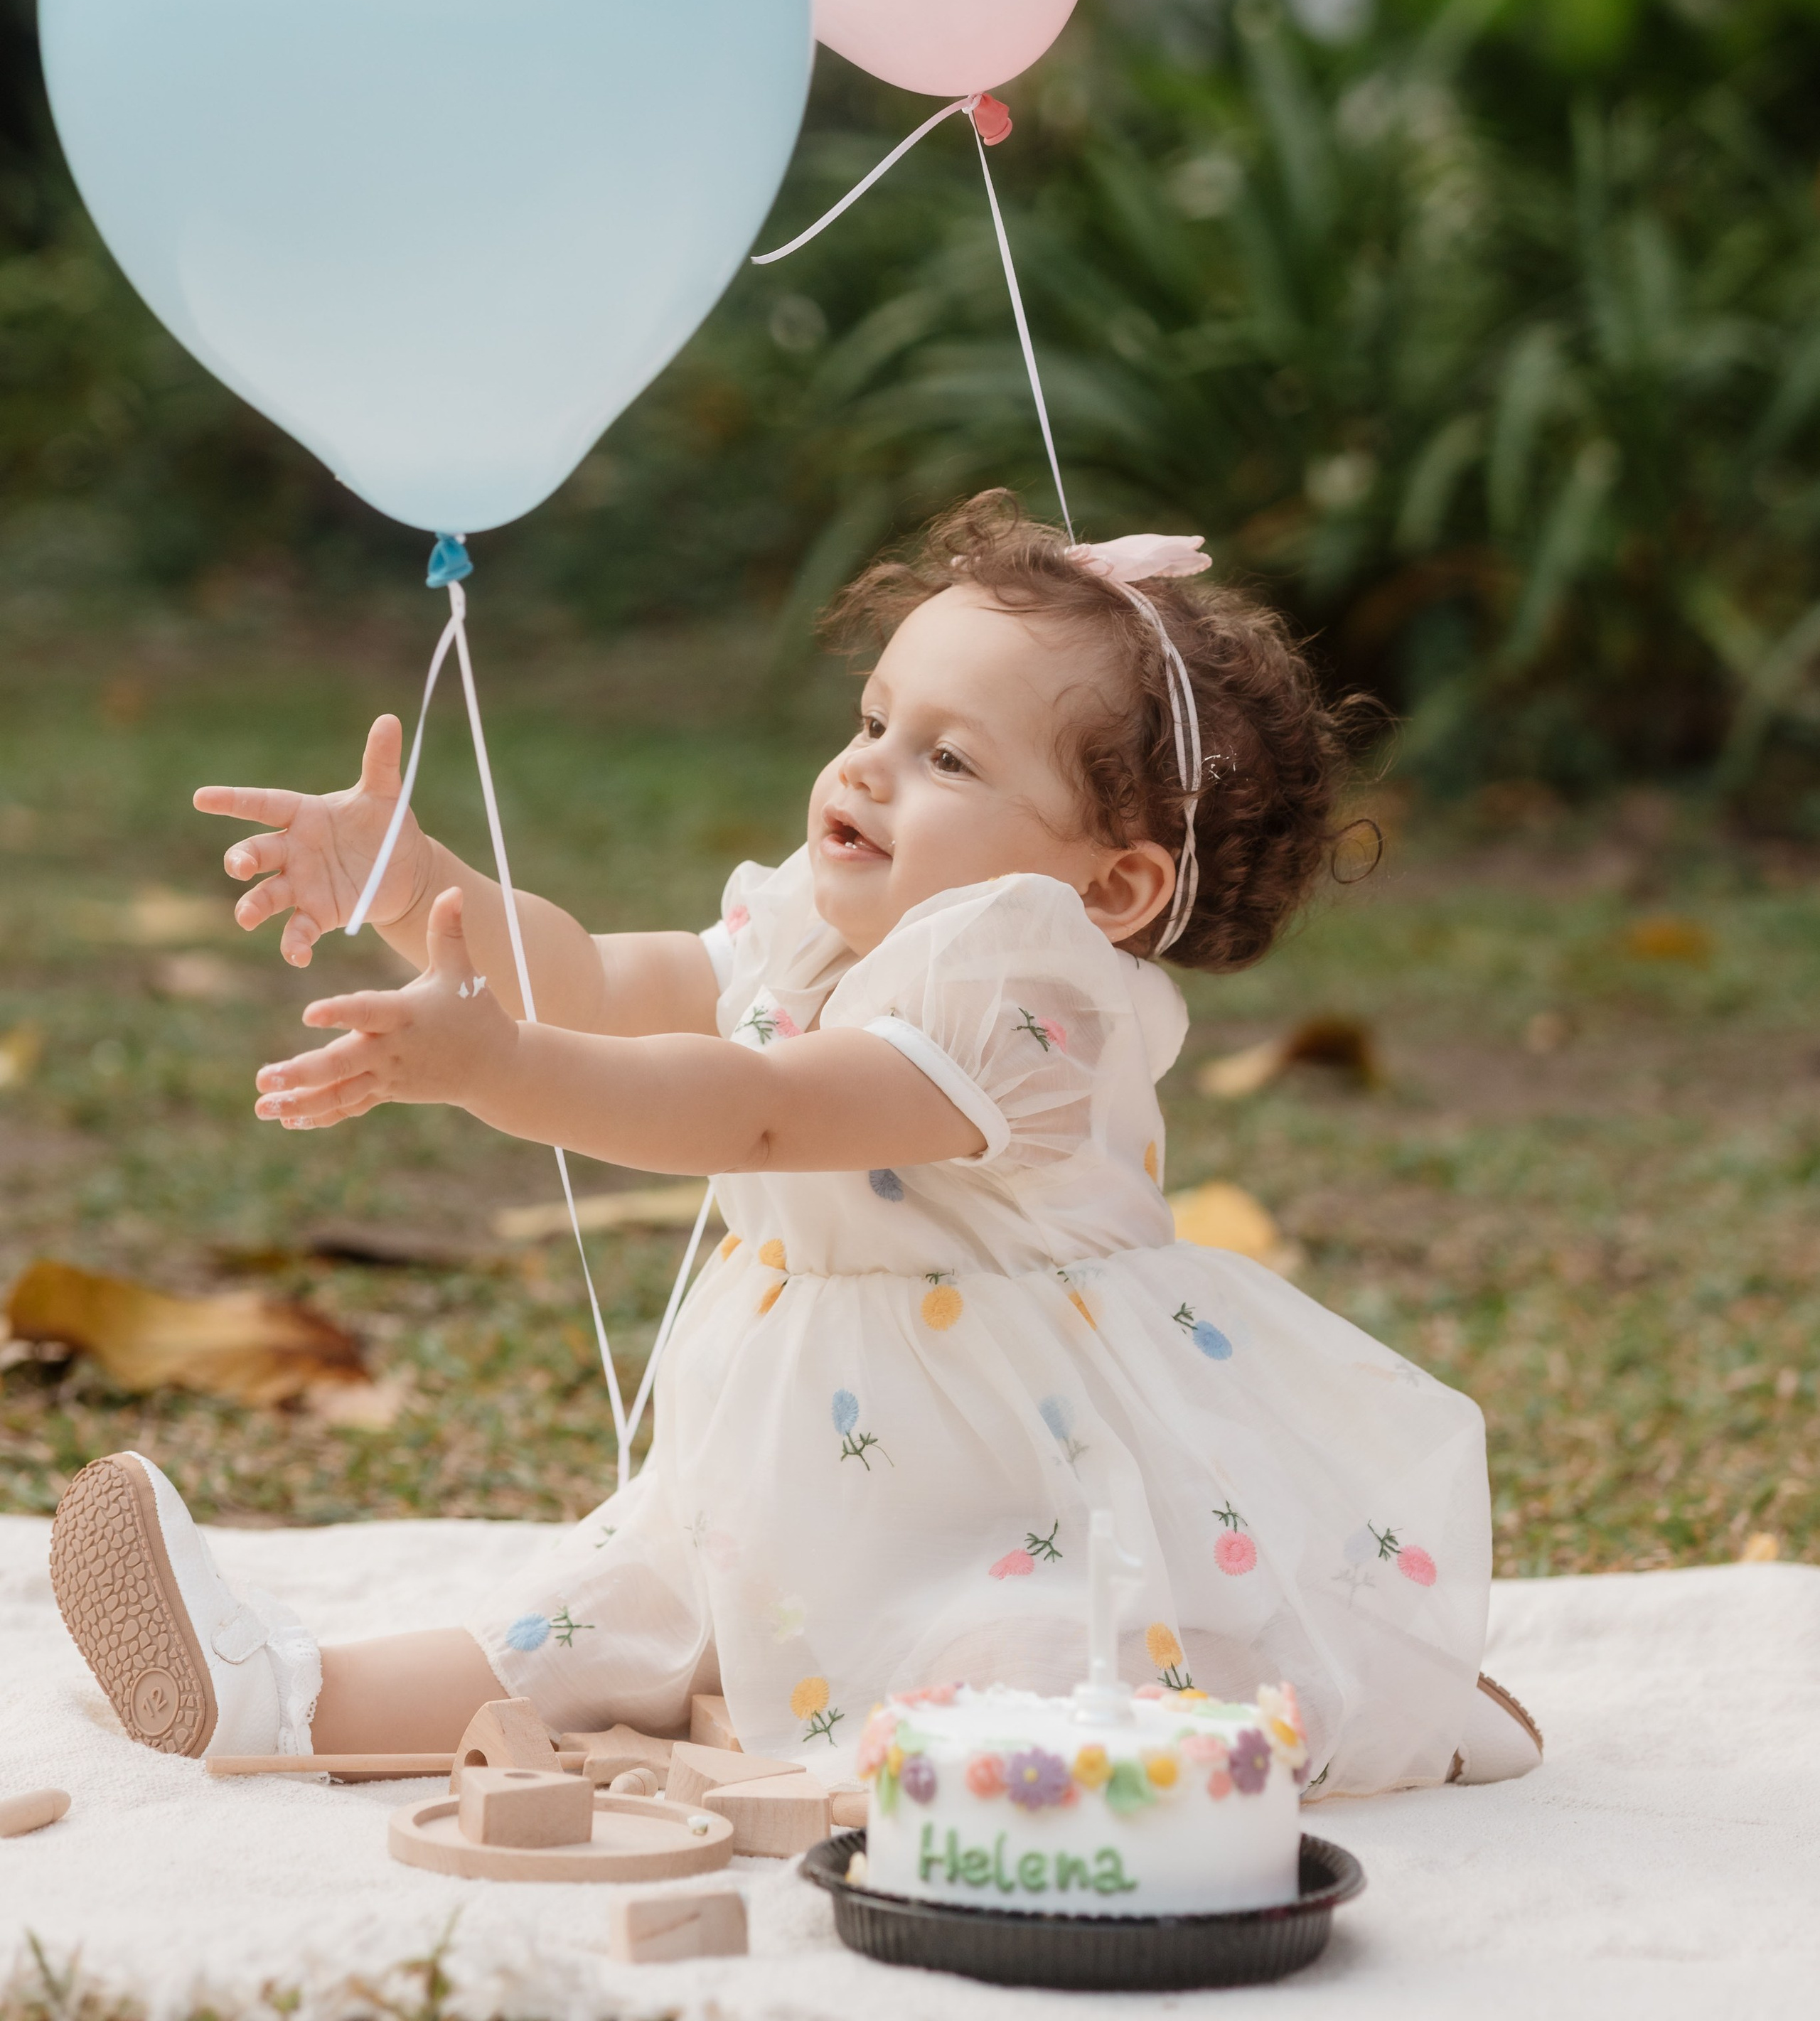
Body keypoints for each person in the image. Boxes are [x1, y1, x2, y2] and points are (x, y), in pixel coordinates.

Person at [48, 495, 1541, 1794]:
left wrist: (500, 1076)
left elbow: (766, 1110)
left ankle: (1278, 1714)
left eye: (949, 761)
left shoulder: (1023, 994)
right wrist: (408, 876)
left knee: (1017, 1660)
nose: (869, 768)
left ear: (1114, 885)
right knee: (598, 1612)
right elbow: (601, 982)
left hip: (1004, 1472)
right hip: (799, 1440)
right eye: (873, 721)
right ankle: (273, 1703)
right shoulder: (817, 928)